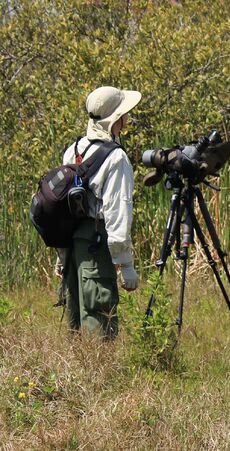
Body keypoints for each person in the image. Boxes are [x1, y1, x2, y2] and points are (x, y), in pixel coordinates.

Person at [56, 85, 141, 338]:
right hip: (96, 247)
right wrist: (125, 265)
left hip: (72, 249)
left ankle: (77, 377)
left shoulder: (73, 150)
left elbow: (62, 208)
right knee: (99, 325)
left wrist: (61, 258)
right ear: (117, 119)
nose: (127, 119)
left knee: (77, 326)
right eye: (124, 114)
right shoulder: (116, 158)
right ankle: (99, 377)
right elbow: (117, 215)